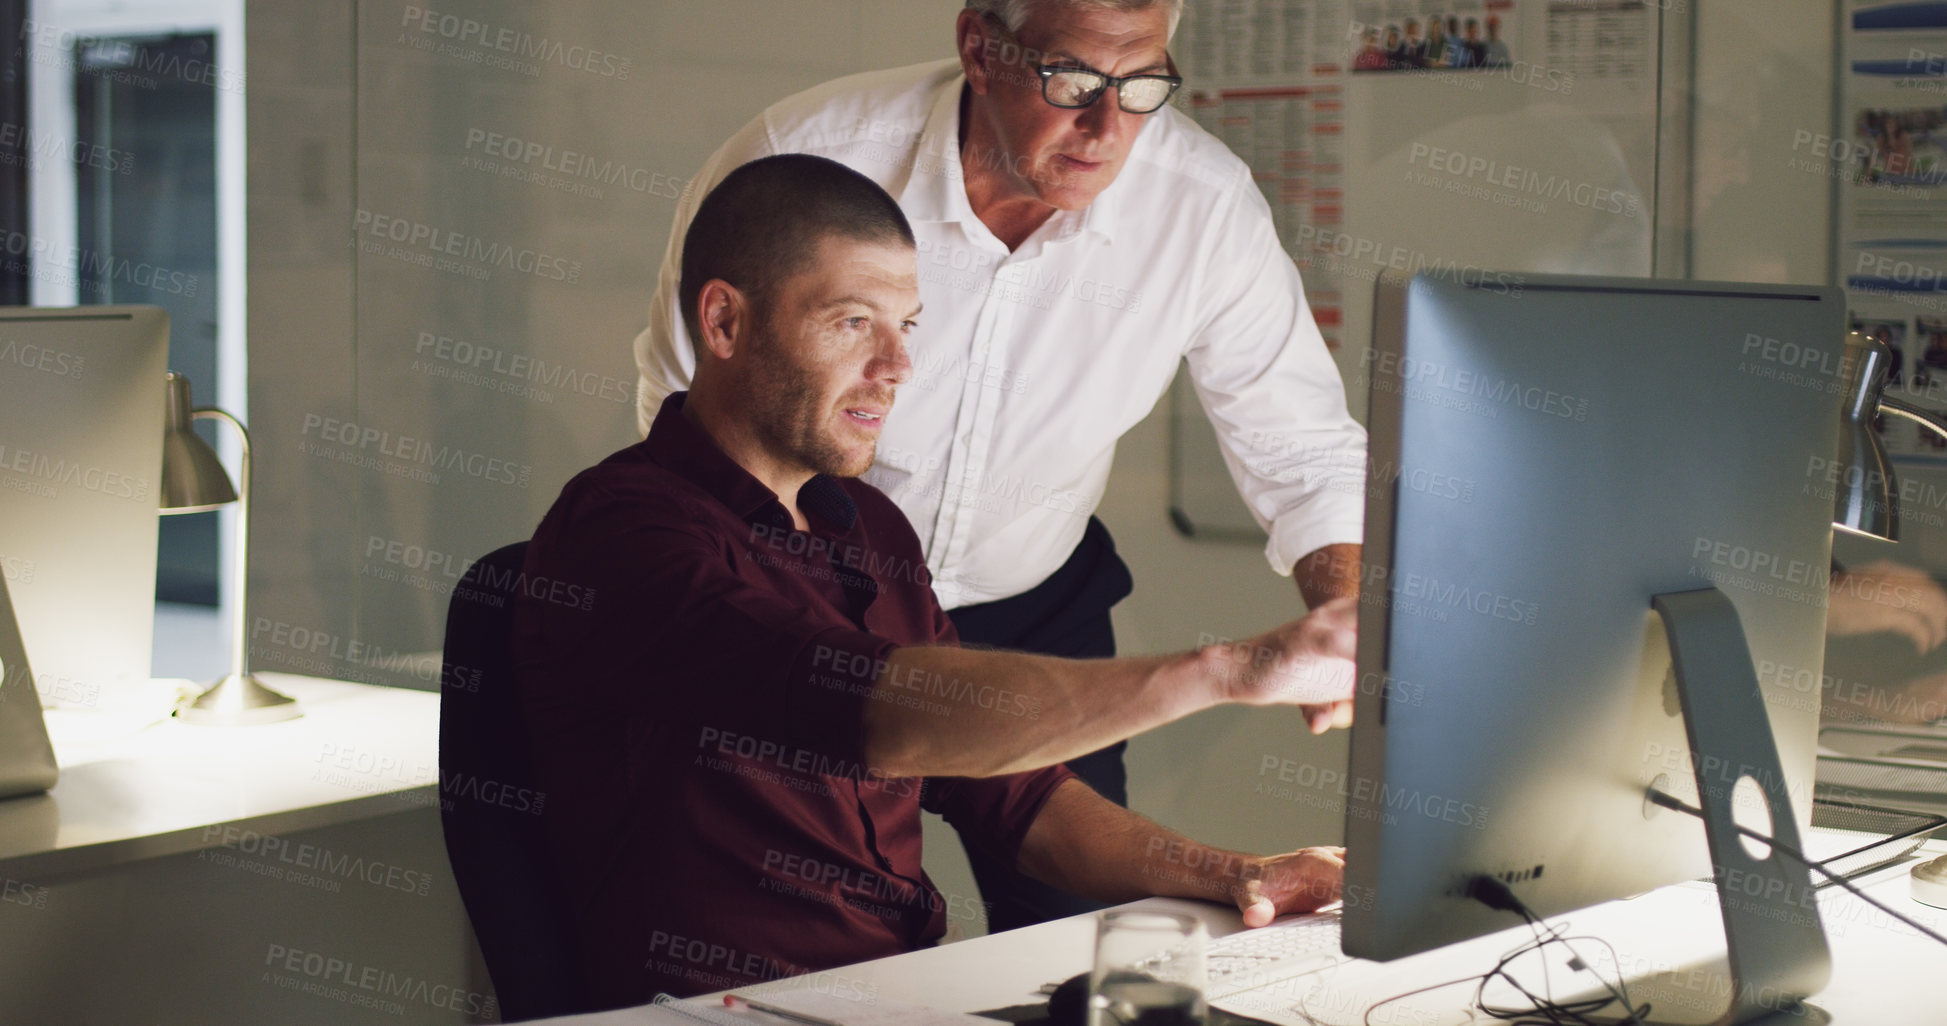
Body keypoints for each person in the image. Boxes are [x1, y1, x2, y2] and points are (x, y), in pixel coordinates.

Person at [521, 154, 1355, 1006]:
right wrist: (1228, 670)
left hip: (898, 995)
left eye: (907, 326)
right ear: (725, 323)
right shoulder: (621, 534)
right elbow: (871, 708)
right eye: (851, 323)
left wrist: (1238, 875)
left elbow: (1011, 795)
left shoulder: (868, 525)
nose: (896, 366)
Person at [632, 0, 1368, 934]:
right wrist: (1229, 670)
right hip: (799, 596)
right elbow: (691, 400)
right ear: (981, 48)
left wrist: (1342, 634)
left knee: (1076, 933)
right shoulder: (809, 159)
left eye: (1143, 85)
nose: (1108, 129)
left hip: (1031, 597)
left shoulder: (1200, 203)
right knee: (785, 920)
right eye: (1072, 82)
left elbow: (1303, 449)